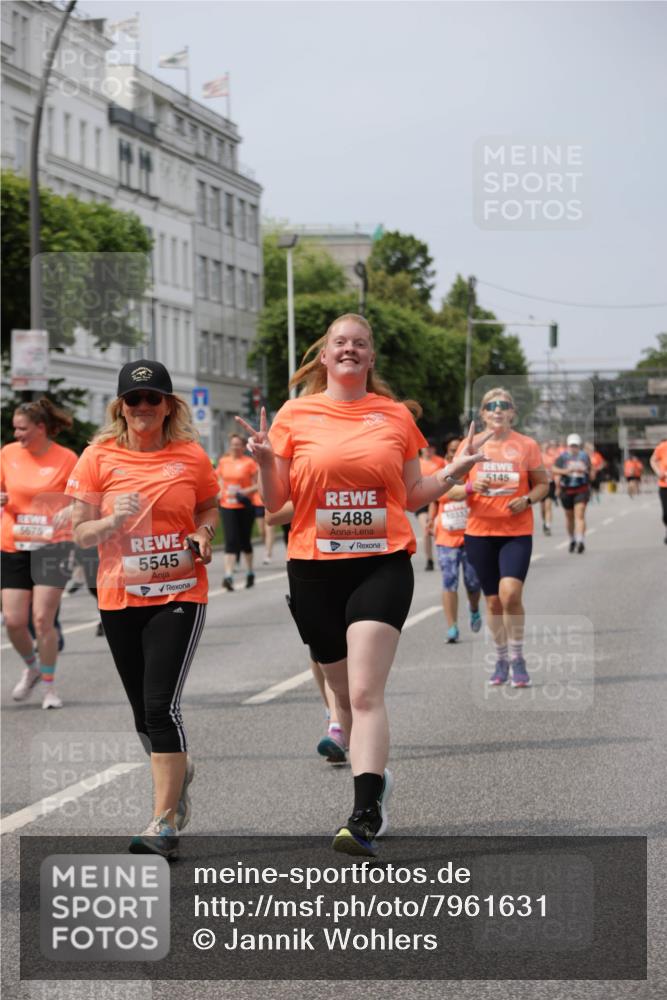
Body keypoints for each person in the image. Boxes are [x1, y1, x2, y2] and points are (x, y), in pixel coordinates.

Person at [236, 313, 488, 857]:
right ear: (324, 357)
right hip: (314, 568)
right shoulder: (294, 415)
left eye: (360, 344)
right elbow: (277, 503)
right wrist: (262, 462)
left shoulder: (394, 416)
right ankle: (375, 779)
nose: (349, 350)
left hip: (381, 562)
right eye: (339, 343)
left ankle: (364, 811)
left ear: (370, 359)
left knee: (366, 692)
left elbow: (412, 494)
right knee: (343, 697)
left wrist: (455, 474)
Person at [66, 360, 219, 860]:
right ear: (120, 407)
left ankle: (163, 822)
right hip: (120, 597)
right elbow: (80, 533)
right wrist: (112, 519)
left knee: (161, 707)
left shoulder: (190, 456)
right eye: (134, 400)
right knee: (141, 713)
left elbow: (209, 507)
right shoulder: (97, 457)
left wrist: (203, 533)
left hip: (178, 592)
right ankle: (179, 774)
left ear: (168, 406)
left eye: (153, 399)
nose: (143, 408)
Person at [461, 388, 548, 689]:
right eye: (491, 406)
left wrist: (527, 499)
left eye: (504, 405)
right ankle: (500, 658)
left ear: (512, 413)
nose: (498, 410)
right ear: (483, 414)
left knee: (510, 594)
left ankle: (518, 657)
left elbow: (543, 485)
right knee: (494, 602)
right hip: (479, 533)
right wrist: (472, 487)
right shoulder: (469, 446)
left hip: (516, 532)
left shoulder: (526, 445)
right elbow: (448, 489)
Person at [1, 398, 78, 709]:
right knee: (14, 621)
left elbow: (82, 498)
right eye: (15, 429)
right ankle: (32, 667)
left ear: (41, 428)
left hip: (53, 545)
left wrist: (70, 509)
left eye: (22, 429)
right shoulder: (7, 454)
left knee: (43, 619)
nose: (17, 434)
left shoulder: (66, 458)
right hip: (13, 543)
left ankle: (49, 688)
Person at [428, 434, 482, 643]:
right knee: (449, 581)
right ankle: (452, 627)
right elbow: (439, 496)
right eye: (452, 452)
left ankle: (474, 608)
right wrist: (431, 519)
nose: (455, 455)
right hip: (446, 538)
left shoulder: (474, 472)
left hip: (472, 536)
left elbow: (464, 492)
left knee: (473, 583)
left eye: (459, 451)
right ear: (448, 454)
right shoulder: (440, 473)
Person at [216, 433, 258, 590]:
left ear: (243, 446)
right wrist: (220, 493)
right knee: (231, 540)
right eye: (233, 444)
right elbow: (220, 481)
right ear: (230, 445)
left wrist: (246, 491)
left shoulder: (249, 463)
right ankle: (228, 576)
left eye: (238, 444)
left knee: (245, 541)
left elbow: (257, 485)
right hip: (228, 505)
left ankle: (250, 572)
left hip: (245, 505)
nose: (235, 447)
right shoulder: (223, 461)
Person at [553, 433, 592, 553]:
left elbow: (590, 470)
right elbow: (554, 469)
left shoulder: (584, 456)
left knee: (579, 515)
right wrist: (566, 471)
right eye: (571, 445)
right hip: (567, 490)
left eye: (575, 445)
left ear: (579, 446)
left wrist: (585, 472)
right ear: (568, 446)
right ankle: (572, 539)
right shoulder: (562, 457)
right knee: (569, 518)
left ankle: (581, 541)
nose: (573, 448)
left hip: (581, 489)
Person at [416, 440, 444, 570]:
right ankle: (429, 559)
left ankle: (444, 555)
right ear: (421, 449)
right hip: (422, 501)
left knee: (438, 528)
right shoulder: (416, 462)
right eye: (425, 448)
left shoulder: (440, 462)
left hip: (437, 500)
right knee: (427, 531)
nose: (428, 450)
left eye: (431, 447)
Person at [539, 440, 560, 535]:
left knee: (548, 506)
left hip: (550, 483)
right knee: (543, 508)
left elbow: (555, 471)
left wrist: (558, 484)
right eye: (544, 446)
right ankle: (544, 522)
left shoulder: (552, 457)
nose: (546, 447)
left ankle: (548, 525)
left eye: (547, 446)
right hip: (539, 484)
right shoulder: (537, 457)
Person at [649, 438, 667, 543]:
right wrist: (658, 472)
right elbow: (652, 460)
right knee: (666, 514)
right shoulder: (663, 447)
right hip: (664, 485)